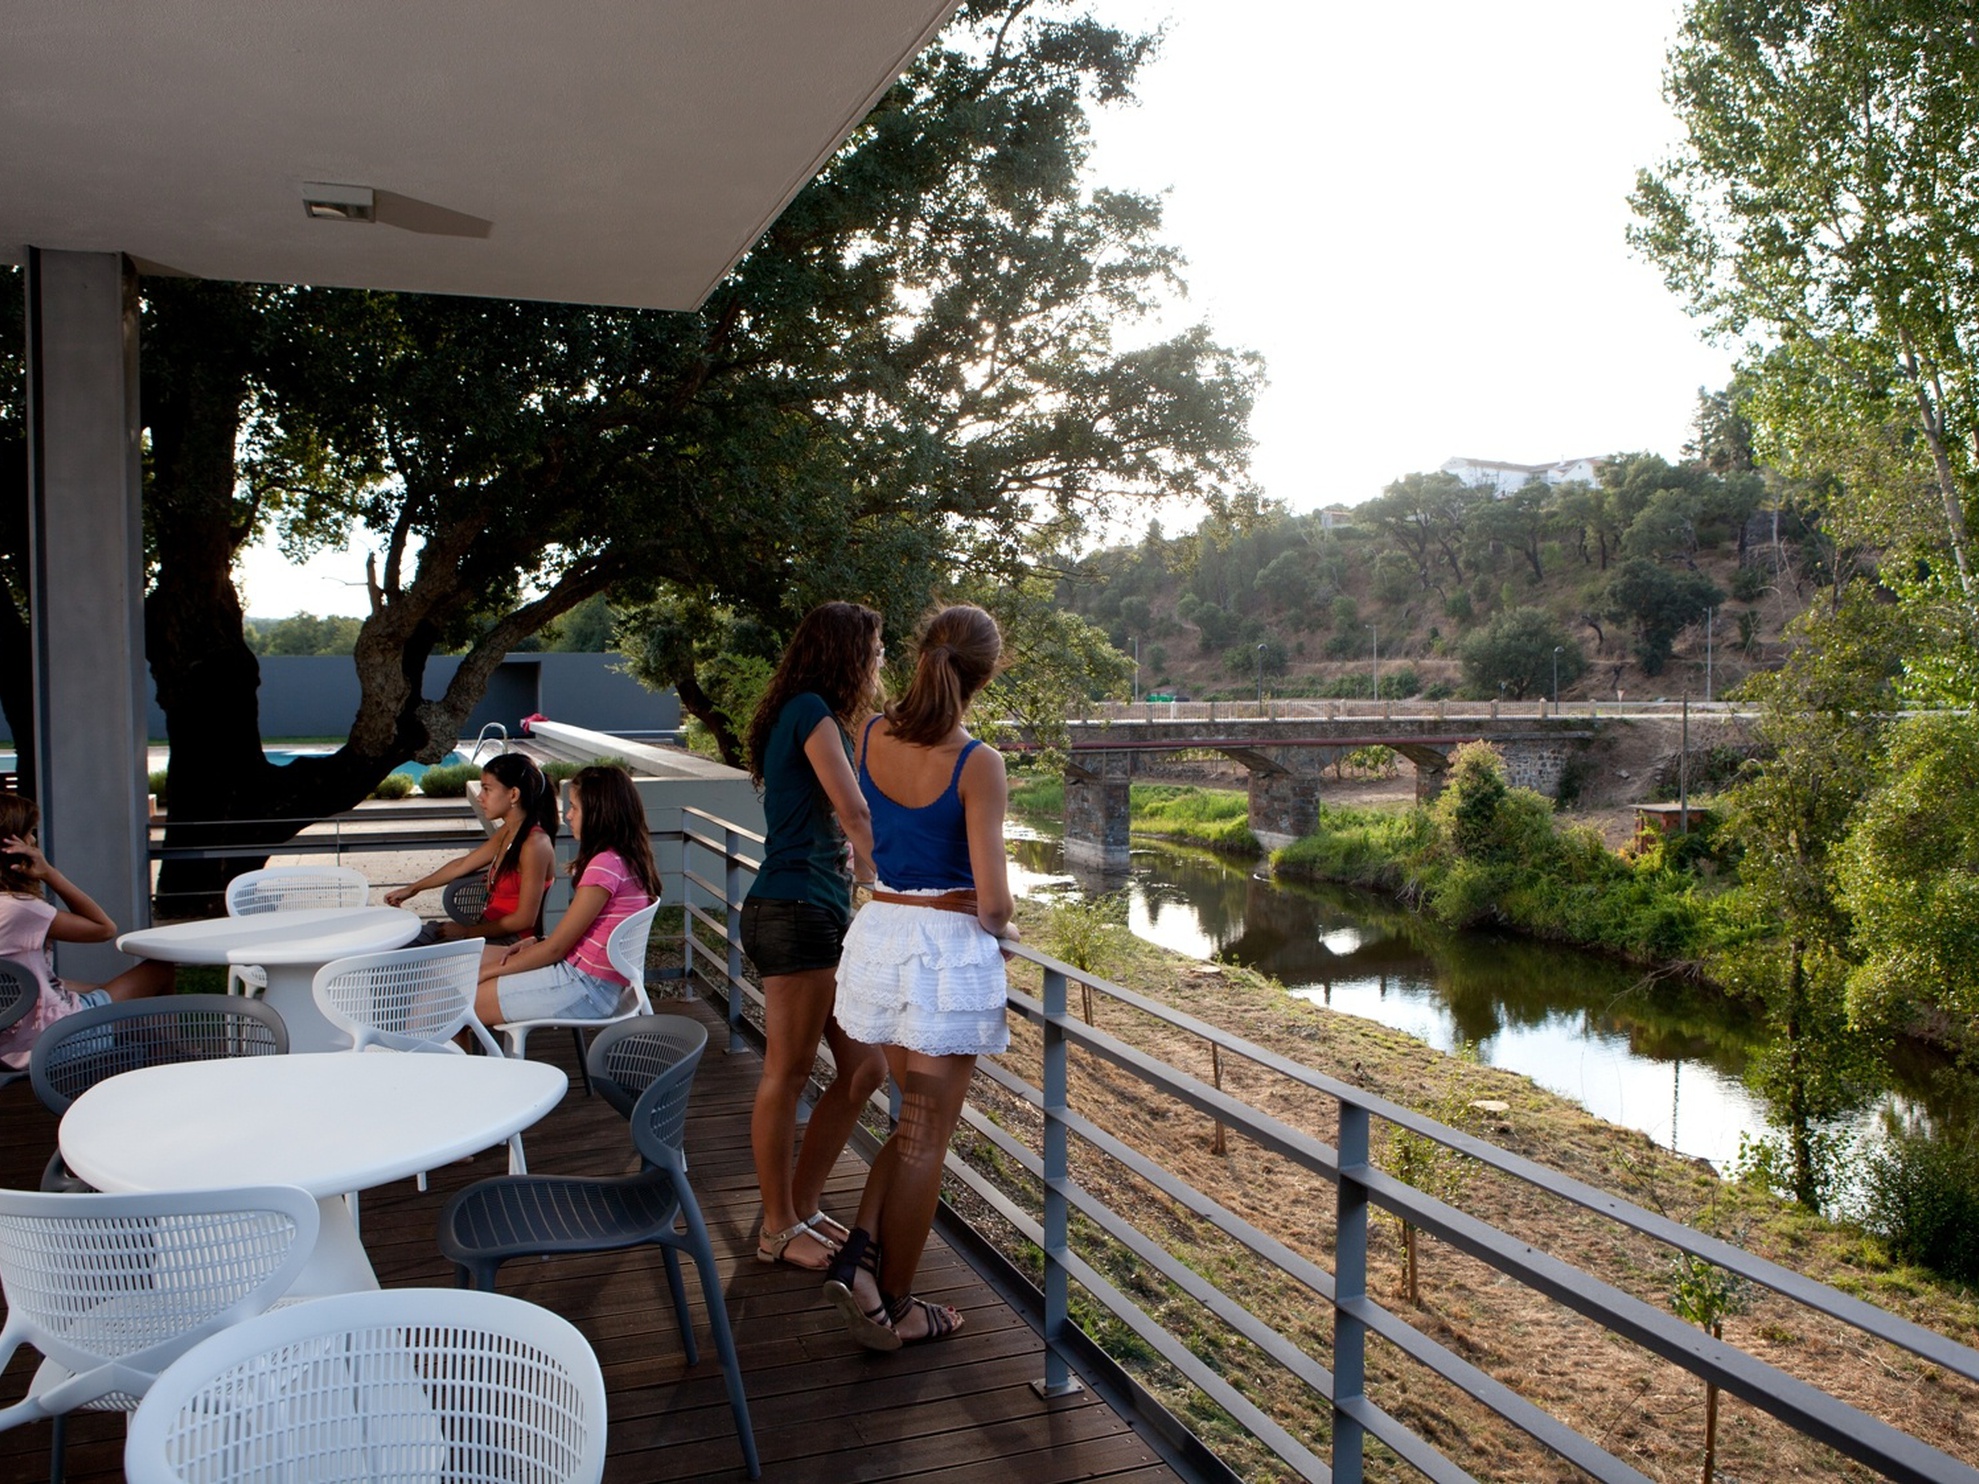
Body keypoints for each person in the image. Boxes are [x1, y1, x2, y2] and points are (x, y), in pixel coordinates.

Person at [823, 604, 1014, 1349]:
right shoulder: (978, 762)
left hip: (883, 934)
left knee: (909, 1126)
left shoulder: (871, 732)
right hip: (942, 957)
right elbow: (993, 904)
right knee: (925, 1140)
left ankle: (860, 1264)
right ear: (985, 674)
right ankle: (898, 1304)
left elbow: (872, 839)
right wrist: (1000, 922)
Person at [742, 603, 890, 1271]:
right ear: (847, 653)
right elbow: (853, 811)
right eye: (876, 650)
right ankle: (776, 1228)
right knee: (787, 1071)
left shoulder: (804, 711)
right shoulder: (809, 711)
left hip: (816, 910)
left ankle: (800, 1204)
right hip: (794, 909)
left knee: (865, 1069)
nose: (880, 662)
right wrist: (899, 881)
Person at [474, 764, 658, 1029]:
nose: (568, 816)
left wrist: (488, 973)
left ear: (599, 813)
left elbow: (555, 950)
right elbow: (577, 938)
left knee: (456, 1002)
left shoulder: (605, 866)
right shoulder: (626, 860)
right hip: (592, 980)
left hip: (584, 987)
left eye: (574, 808)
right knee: (462, 963)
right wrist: (538, 941)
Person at [0, 794, 174, 1071]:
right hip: (54, 1039)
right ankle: (171, 1061)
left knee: (124, 1007)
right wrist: (50, 874)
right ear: (12, 846)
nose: (34, 841)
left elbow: (23, 982)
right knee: (159, 970)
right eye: (29, 833)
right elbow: (103, 929)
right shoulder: (18, 909)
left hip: (10, 1042)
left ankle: (167, 1055)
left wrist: (96, 988)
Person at [385, 753, 558, 949]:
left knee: (413, 957)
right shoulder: (509, 831)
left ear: (513, 794)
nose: (480, 797)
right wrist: (413, 889)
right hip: (484, 928)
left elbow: (524, 919)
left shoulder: (534, 845)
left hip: (508, 942)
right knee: (402, 942)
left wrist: (467, 932)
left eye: (487, 789)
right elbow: (462, 865)